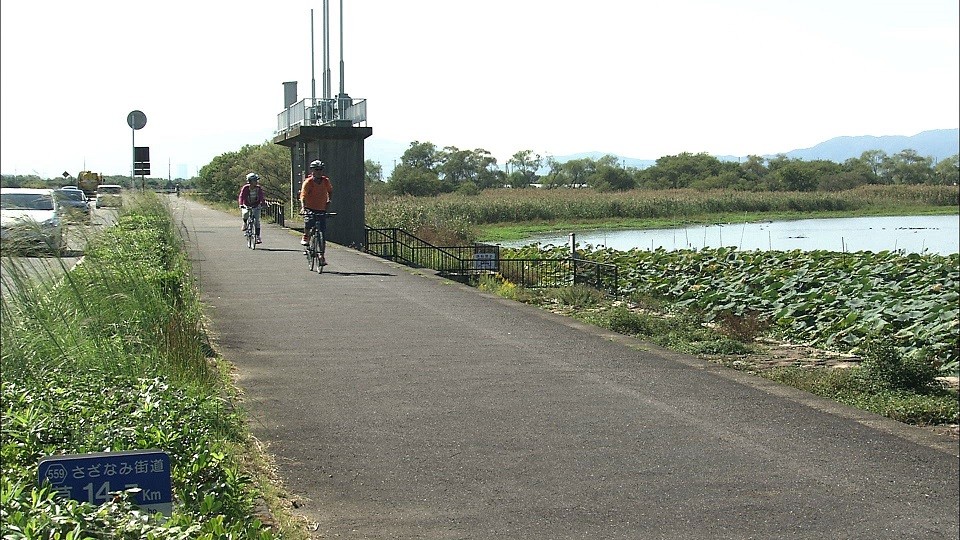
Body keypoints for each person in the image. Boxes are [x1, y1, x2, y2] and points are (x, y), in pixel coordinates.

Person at [299, 160, 333, 252]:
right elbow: (303, 196)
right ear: (312, 171)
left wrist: (329, 200)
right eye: (316, 169)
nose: (319, 172)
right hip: (310, 208)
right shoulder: (308, 182)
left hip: (321, 208)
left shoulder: (326, 181)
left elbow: (330, 191)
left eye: (321, 169)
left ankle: (321, 255)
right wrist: (303, 207)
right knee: (309, 221)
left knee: (322, 233)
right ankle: (306, 236)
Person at [238, 172, 266, 243]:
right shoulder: (245, 188)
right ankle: (245, 223)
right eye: (255, 181)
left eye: (257, 180)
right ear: (250, 181)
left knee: (257, 221)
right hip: (247, 205)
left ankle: (257, 237)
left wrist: (263, 204)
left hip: (256, 205)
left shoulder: (258, 188)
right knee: (245, 214)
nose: (256, 182)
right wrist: (241, 204)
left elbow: (261, 197)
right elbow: (241, 197)